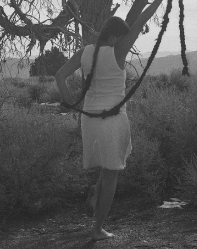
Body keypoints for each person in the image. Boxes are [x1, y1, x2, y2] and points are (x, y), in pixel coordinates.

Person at [55, 17, 137, 241]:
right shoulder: (116, 53)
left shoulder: (85, 52)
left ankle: (94, 189)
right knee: (113, 173)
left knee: (110, 167)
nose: (122, 45)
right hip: (112, 120)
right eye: (120, 40)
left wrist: (71, 103)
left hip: (90, 118)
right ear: (112, 37)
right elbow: (142, 20)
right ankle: (97, 230)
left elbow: (59, 76)